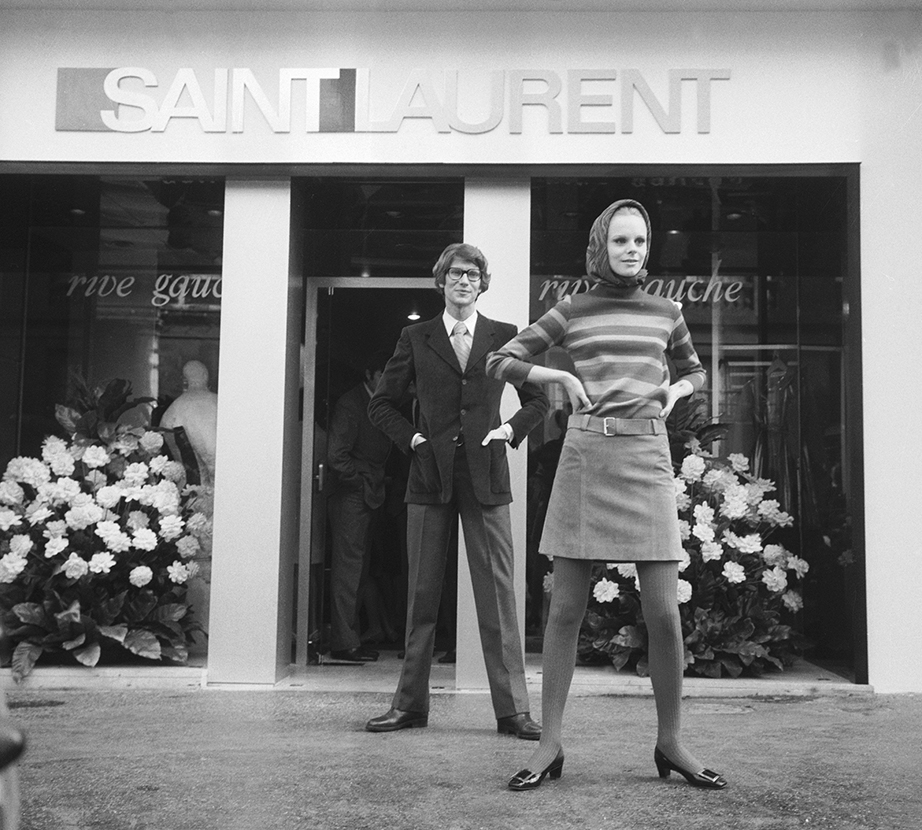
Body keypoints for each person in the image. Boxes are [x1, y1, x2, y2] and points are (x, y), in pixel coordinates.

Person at [487, 199, 728, 790]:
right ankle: (549, 745)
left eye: (640, 242)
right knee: (565, 611)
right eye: (621, 241)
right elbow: (501, 360)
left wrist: (678, 391)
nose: (632, 251)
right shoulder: (571, 310)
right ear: (602, 245)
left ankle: (671, 742)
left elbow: (697, 371)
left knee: (664, 615)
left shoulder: (667, 311)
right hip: (586, 457)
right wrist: (558, 376)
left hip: (646, 458)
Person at [365, 242, 549, 738]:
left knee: (498, 597)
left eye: (472, 274)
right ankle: (409, 706)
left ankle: (513, 712)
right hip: (429, 476)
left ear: (482, 283)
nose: (463, 281)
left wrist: (509, 431)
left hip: (486, 475)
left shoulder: (503, 336)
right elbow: (381, 405)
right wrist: (415, 439)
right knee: (421, 598)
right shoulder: (416, 337)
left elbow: (538, 400)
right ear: (441, 282)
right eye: (454, 274)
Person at [326, 355, 394, 662]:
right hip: (354, 496)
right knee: (349, 568)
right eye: (383, 372)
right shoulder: (351, 404)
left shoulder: (377, 402)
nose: (387, 379)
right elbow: (337, 457)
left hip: (367, 493)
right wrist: (361, 481)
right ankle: (344, 642)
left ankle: (350, 637)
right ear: (370, 372)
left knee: (360, 568)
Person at [160, 360, 218, 486]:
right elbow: (211, 456)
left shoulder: (172, 409)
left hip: (184, 490)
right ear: (205, 375)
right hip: (211, 492)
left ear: (185, 379)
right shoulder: (213, 403)